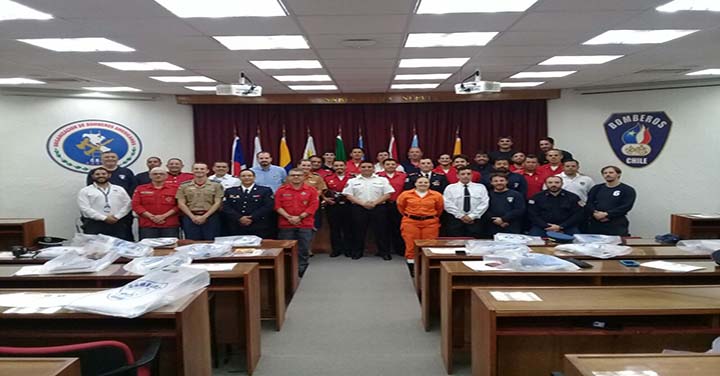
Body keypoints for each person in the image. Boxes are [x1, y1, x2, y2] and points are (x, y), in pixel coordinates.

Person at [342, 161, 394, 260]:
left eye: (369, 167)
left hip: (378, 207)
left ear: (373, 169)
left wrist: (375, 203)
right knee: (358, 231)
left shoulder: (382, 180)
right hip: (359, 208)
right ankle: (357, 252)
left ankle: (384, 252)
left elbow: (388, 194)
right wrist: (363, 204)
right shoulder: (352, 181)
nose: (367, 168)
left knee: (381, 231)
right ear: (359, 169)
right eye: (364, 167)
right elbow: (348, 195)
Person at [275, 168, 319, 277]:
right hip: (286, 224)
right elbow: (277, 206)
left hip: (305, 224)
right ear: (288, 177)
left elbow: (313, 206)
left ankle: (302, 269)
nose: (296, 177)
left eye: (299, 175)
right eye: (293, 175)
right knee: (286, 248)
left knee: (303, 248)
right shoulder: (281, 190)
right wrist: (289, 217)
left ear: (304, 177)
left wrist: (299, 217)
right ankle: (287, 270)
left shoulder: (311, 190)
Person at [85, 151, 136, 240]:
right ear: (101, 159)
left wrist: (120, 214)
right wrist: (103, 217)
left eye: (112, 157)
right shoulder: (95, 172)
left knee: (124, 239)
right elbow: (92, 191)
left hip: (123, 214)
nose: (110, 158)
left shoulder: (126, 172)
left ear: (117, 159)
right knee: (98, 243)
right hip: (99, 216)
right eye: (107, 157)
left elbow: (132, 191)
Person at [397, 176, 444, 273]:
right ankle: (412, 269)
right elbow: (401, 207)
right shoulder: (405, 194)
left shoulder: (437, 195)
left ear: (429, 184)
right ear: (415, 183)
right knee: (411, 245)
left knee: (429, 244)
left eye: (425, 182)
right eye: (420, 182)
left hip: (430, 223)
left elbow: (439, 209)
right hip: (410, 222)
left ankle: (428, 269)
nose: (423, 184)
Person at [78, 167, 132, 240]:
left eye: (104, 174)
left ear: (109, 175)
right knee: (95, 249)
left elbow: (128, 204)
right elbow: (84, 208)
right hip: (94, 224)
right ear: (93, 176)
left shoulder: (119, 189)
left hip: (117, 222)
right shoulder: (85, 191)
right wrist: (104, 218)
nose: (101, 175)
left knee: (117, 248)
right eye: (97, 174)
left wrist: (117, 216)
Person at [176, 163, 224, 240]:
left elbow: (217, 203)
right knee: (192, 243)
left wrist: (204, 216)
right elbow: (181, 203)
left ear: (207, 171)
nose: (199, 171)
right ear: (192, 171)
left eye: (202, 169)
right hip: (190, 217)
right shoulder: (184, 186)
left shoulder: (216, 185)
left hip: (210, 217)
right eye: (196, 169)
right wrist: (193, 217)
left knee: (211, 242)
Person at [222, 169, 274, 239]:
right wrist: (239, 218)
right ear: (239, 178)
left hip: (258, 224)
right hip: (236, 225)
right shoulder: (230, 191)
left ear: (254, 177)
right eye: (243, 176)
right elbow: (226, 207)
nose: (246, 178)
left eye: (249, 176)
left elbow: (268, 206)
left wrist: (252, 217)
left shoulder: (265, 190)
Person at [586, 166, 636, 236]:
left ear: (618, 174)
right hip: (596, 223)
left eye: (611, 172)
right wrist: (595, 213)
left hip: (616, 223)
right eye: (605, 173)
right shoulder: (596, 188)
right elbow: (589, 203)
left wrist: (607, 214)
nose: (608, 174)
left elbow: (626, 206)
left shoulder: (627, 190)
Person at [131, 167, 180, 239]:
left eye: (161, 174)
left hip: (169, 225)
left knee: (170, 248)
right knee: (148, 248)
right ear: (150, 176)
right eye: (155, 174)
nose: (158, 175)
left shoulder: (176, 188)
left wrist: (164, 216)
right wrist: (151, 217)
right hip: (148, 225)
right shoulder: (140, 188)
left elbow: (179, 205)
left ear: (166, 176)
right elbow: (136, 205)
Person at [443, 167, 489, 238]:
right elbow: (447, 204)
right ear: (457, 176)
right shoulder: (450, 188)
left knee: (474, 243)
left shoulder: (480, 187)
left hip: (475, 220)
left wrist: (472, 216)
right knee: (456, 243)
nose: (466, 176)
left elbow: (484, 203)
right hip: (456, 220)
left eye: (468, 174)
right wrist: (461, 216)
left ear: (472, 175)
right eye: (463, 174)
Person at [377, 158, 408, 256]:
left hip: (398, 205)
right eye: (388, 164)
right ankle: (384, 251)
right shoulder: (377, 176)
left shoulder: (403, 176)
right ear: (383, 166)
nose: (390, 166)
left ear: (396, 165)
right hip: (382, 204)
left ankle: (399, 250)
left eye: (392, 164)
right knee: (382, 228)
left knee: (398, 228)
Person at [324, 160, 353, 257]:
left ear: (345, 166)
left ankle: (348, 249)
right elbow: (323, 191)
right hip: (333, 206)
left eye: (341, 165)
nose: (339, 167)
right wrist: (326, 199)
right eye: (336, 165)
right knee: (334, 229)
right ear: (333, 167)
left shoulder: (352, 178)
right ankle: (336, 250)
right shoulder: (327, 178)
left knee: (348, 229)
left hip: (348, 205)